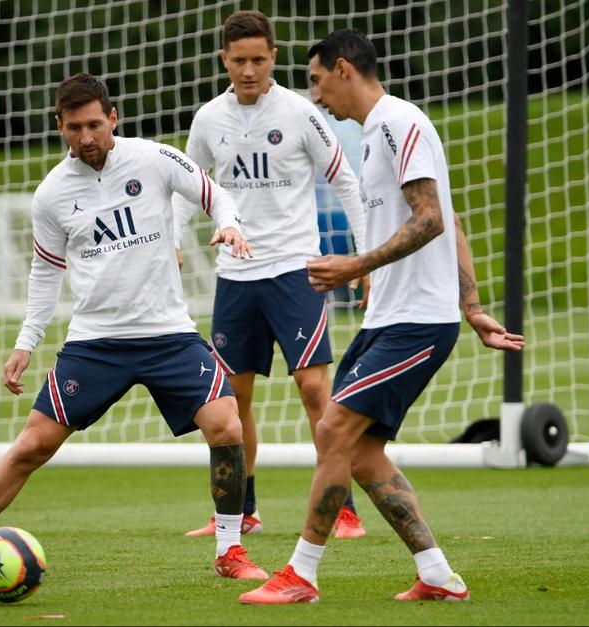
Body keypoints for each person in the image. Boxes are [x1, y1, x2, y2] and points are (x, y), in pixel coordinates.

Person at [0, 73, 269, 583]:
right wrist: (25, 342)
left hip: (168, 334)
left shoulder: (154, 158)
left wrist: (230, 224)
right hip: (95, 343)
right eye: (74, 127)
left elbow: (217, 195)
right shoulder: (51, 194)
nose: (86, 137)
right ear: (60, 126)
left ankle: (230, 552)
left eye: (95, 125)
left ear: (113, 118)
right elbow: (45, 271)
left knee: (227, 425)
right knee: (34, 444)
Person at [239, 29, 526, 605]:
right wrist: (471, 305)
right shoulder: (374, 135)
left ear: (343, 69)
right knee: (362, 450)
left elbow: (431, 219)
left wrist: (357, 267)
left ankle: (301, 574)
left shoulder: (400, 121)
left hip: (417, 322)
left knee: (332, 430)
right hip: (390, 320)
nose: (316, 96)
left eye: (318, 81)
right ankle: (439, 574)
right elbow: (449, 216)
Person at [175, 10, 369, 541]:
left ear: (274, 58)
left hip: (295, 270)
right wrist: (173, 242)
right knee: (231, 400)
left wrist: (365, 255)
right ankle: (242, 513)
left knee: (314, 389)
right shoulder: (209, 119)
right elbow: (186, 185)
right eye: (239, 60)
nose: (249, 70)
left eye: (259, 59)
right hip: (235, 276)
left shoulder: (303, 114)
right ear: (224, 60)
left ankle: (344, 509)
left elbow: (346, 182)